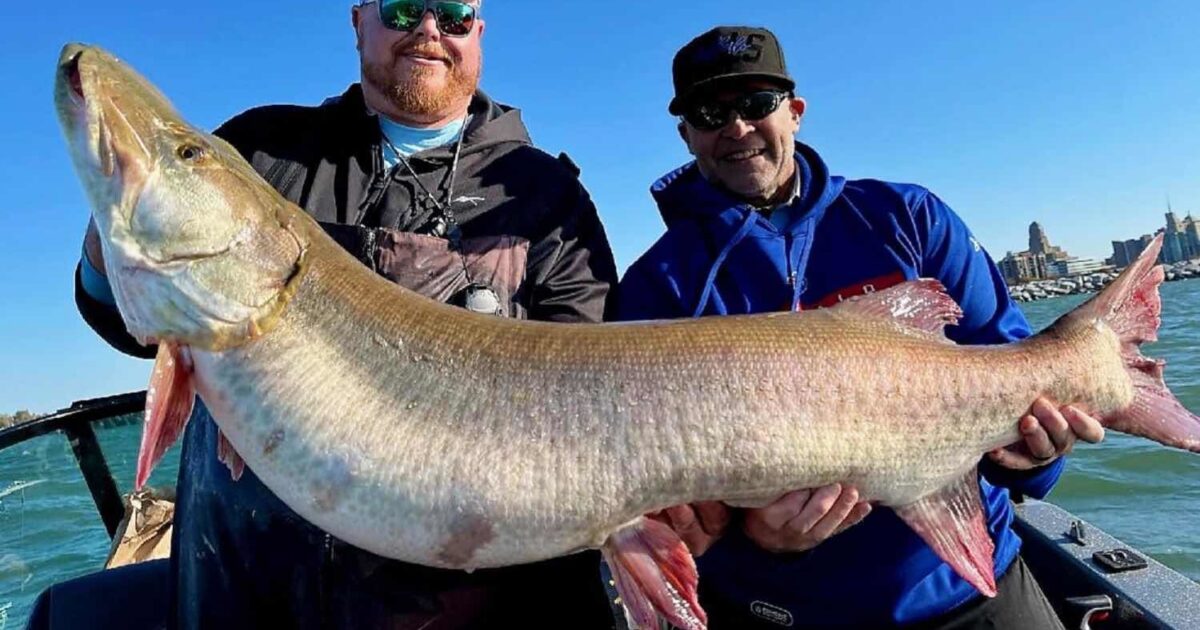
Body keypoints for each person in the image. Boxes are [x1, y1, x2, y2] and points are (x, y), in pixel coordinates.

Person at [62, 1, 621, 628]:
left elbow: (586, 396)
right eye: (404, 7)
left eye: (455, 14)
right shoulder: (263, 149)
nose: (430, 30)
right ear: (359, 22)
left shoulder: (547, 198)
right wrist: (118, 209)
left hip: (471, 598)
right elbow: (120, 324)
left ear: (479, 33)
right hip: (250, 588)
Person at [618, 25, 1105, 629]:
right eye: (710, 111)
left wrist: (1034, 457)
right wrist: (761, 542)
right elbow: (656, 505)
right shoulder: (653, 287)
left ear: (794, 112)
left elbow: (1012, 375)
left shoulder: (910, 218)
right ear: (686, 134)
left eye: (756, 104)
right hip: (776, 611)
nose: (736, 127)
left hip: (973, 592)